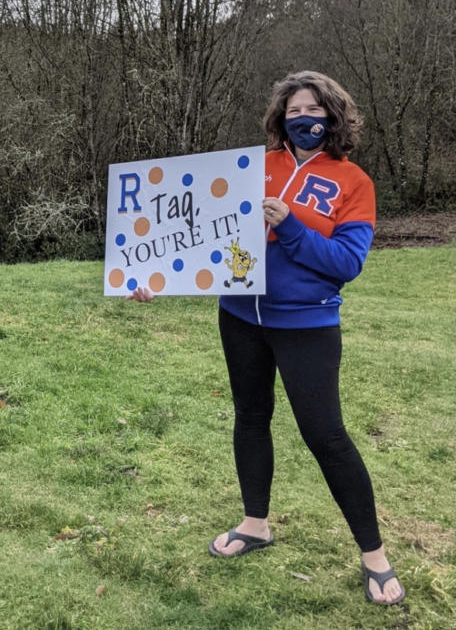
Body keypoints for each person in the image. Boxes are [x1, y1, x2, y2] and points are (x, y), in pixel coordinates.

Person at [129, 70, 404, 606]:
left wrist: (294, 226)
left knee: (326, 437)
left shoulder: (355, 183)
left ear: (334, 116)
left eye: (314, 111)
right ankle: (255, 523)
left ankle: (374, 556)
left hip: (307, 325)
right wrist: (154, 274)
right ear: (281, 118)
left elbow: (347, 263)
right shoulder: (248, 169)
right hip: (239, 318)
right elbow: (191, 235)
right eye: (294, 112)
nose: (304, 119)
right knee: (250, 419)